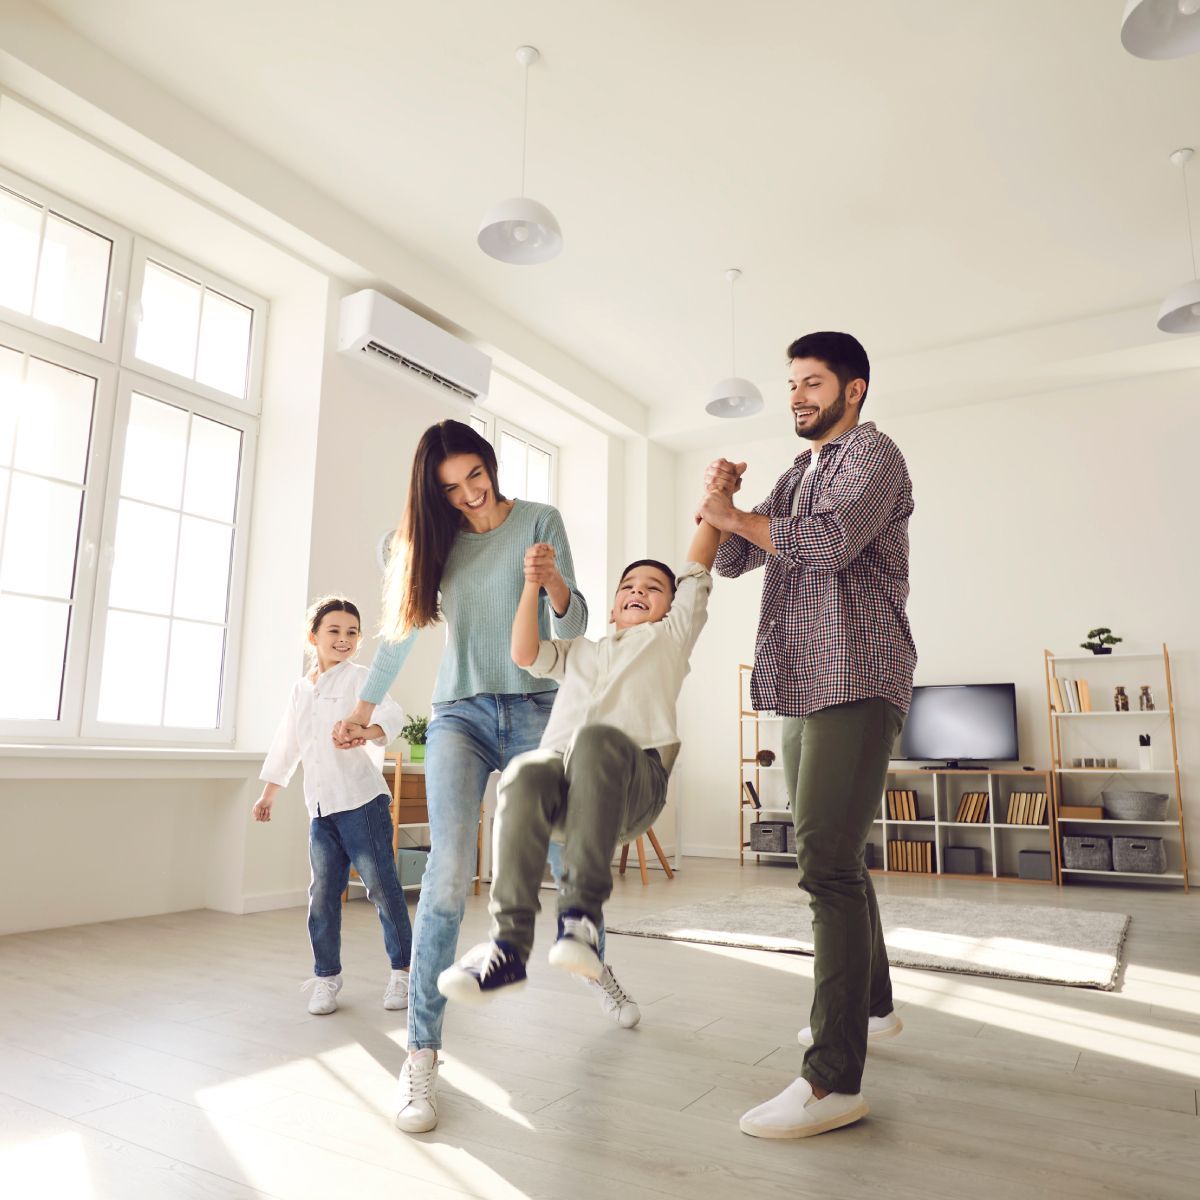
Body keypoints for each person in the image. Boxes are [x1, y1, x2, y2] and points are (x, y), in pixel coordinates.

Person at [333, 419, 638, 1136]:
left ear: (491, 466)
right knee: (446, 873)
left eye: (475, 477)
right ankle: (423, 1055)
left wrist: (553, 580)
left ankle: (599, 967)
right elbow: (398, 635)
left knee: (567, 858)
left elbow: (573, 628)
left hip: (537, 707)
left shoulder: (538, 521)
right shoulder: (429, 545)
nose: (469, 495)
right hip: (460, 716)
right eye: (450, 488)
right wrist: (362, 710)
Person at [697, 331, 916, 1140]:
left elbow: (825, 544)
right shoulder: (799, 471)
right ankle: (875, 1007)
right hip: (800, 680)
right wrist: (721, 506)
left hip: (858, 673)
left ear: (852, 390)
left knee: (823, 862)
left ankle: (833, 1083)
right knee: (836, 855)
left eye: (812, 382)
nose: (796, 395)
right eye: (791, 382)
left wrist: (737, 518)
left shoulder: (872, 454)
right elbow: (729, 564)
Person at [436, 507, 719, 1003]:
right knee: (525, 771)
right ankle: (507, 947)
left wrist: (715, 509)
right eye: (629, 585)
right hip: (567, 790)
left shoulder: (669, 638)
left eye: (654, 588)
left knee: (594, 739)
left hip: (635, 786)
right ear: (611, 608)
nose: (638, 591)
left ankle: (581, 920)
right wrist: (535, 586)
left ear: (671, 608)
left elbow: (696, 573)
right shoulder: (579, 652)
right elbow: (524, 655)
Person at [255, 596, 411, 1016]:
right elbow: (288, 743)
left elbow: (393, 716)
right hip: (321, 810)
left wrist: (366, 730)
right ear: (313, 637)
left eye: (352, 632)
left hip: (363, 802)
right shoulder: (300, 689)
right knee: (322, 895)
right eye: (334, 631)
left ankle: (403, 972)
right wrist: (270, 792)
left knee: (382, 888)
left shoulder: (363, 678)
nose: (344, 639)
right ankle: (326, 978)